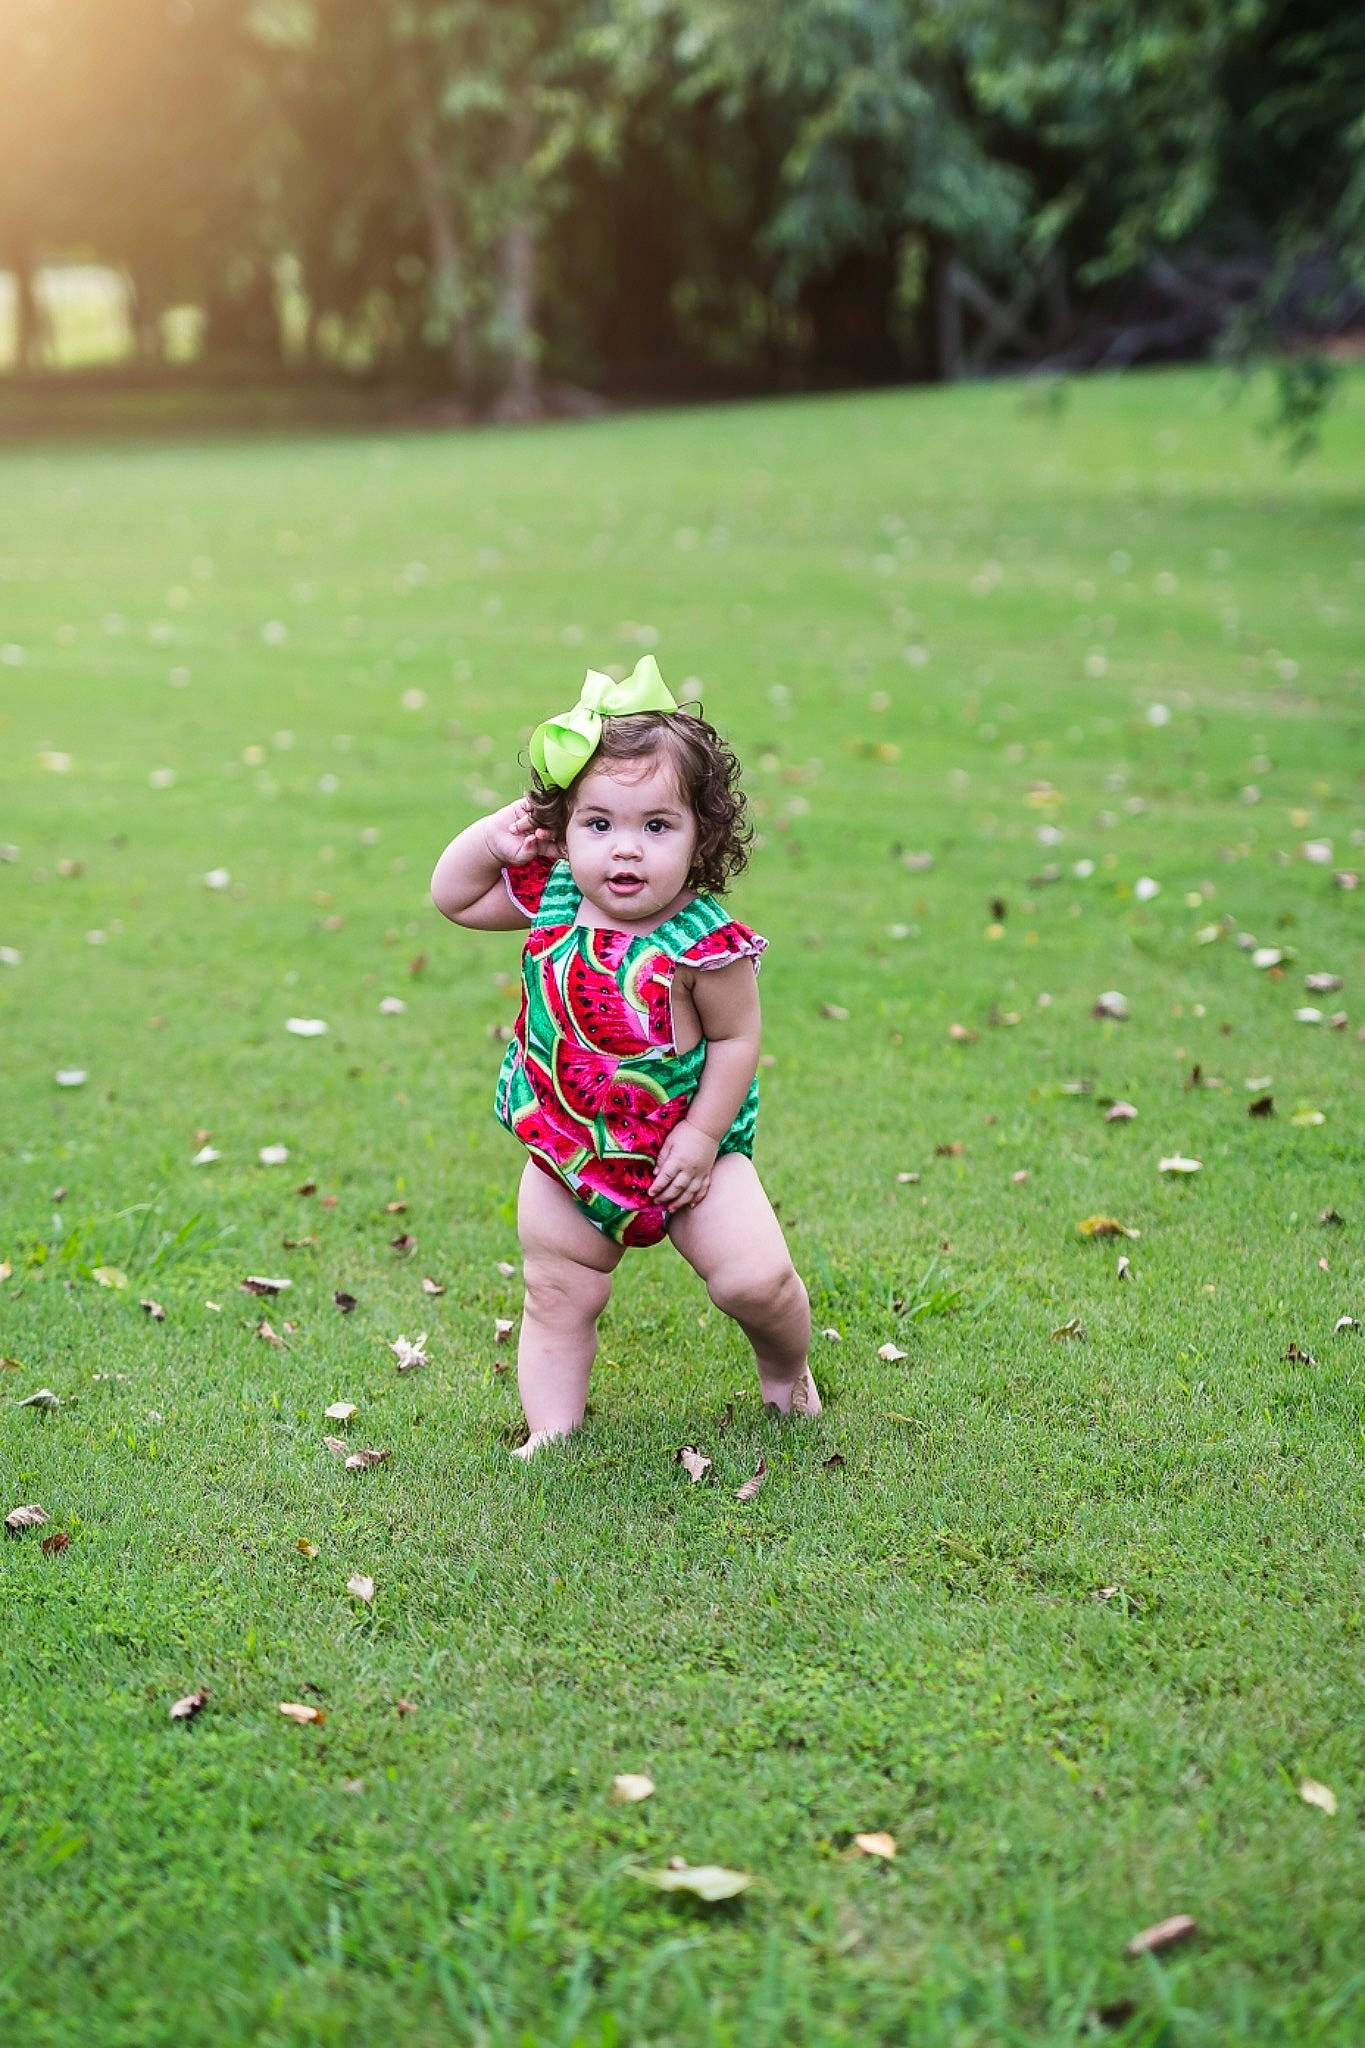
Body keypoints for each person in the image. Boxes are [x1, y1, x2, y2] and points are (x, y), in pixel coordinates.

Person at [431, 655, 818, 1456]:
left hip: (685, 1153)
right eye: (599, 824)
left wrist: (703, 1136)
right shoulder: (555, 896)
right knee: (556, 1291)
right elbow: (455, 898)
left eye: (656, 826)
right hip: (570, 1151)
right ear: (563, 829)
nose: (626, 850)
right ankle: (553, 1433)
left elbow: (736, 1040)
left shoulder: (704, 945)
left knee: (753, 1280)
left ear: (702, 835)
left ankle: (786, 1374)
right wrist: (490, 837)